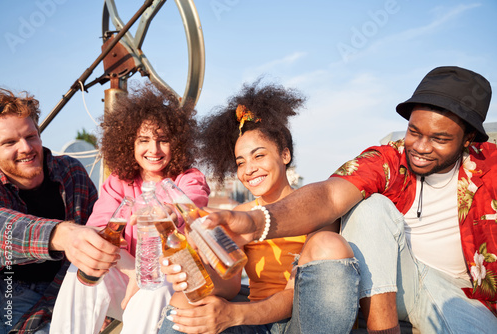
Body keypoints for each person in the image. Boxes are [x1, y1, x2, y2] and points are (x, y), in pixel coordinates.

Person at [202, 66, 497, 333]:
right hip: (397, 281)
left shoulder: (491, 171)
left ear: (469, 137)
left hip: (462, 292)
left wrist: (236, 314)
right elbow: (329, 195)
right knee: (371, 206)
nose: (419, 147)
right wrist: (254, 222)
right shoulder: (388, 159)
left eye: (439, 139)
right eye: (414, 131)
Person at [159, 80, 360, 334]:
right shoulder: (241, 214)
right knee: (184, 301)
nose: (248, 169)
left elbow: (292, 297)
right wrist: (192, 274)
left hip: (300, 320)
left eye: (259, 155)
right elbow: (230, 284)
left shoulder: (313, 208)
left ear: (285, 155)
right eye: (240, 162)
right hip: (257, 322)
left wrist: (233, 315)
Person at [50, 83, 211, 334]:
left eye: (163, 140)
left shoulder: (188, 177)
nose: (154, 150)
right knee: (84, 264)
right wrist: (135, 271)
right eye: (143, 140)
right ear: (129, 144)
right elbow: (98, 233)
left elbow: (192, 201)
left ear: (177, 143)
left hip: (166, 288)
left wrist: (170, 211)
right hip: (126, 281)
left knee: (154, 285)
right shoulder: (117, 182)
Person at [0, 87, 117, 333]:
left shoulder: (71, 172)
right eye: (9, 142)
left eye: (31, 136)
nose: (26, 148)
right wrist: (63, 235)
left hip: (69, 282)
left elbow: (100, 228)